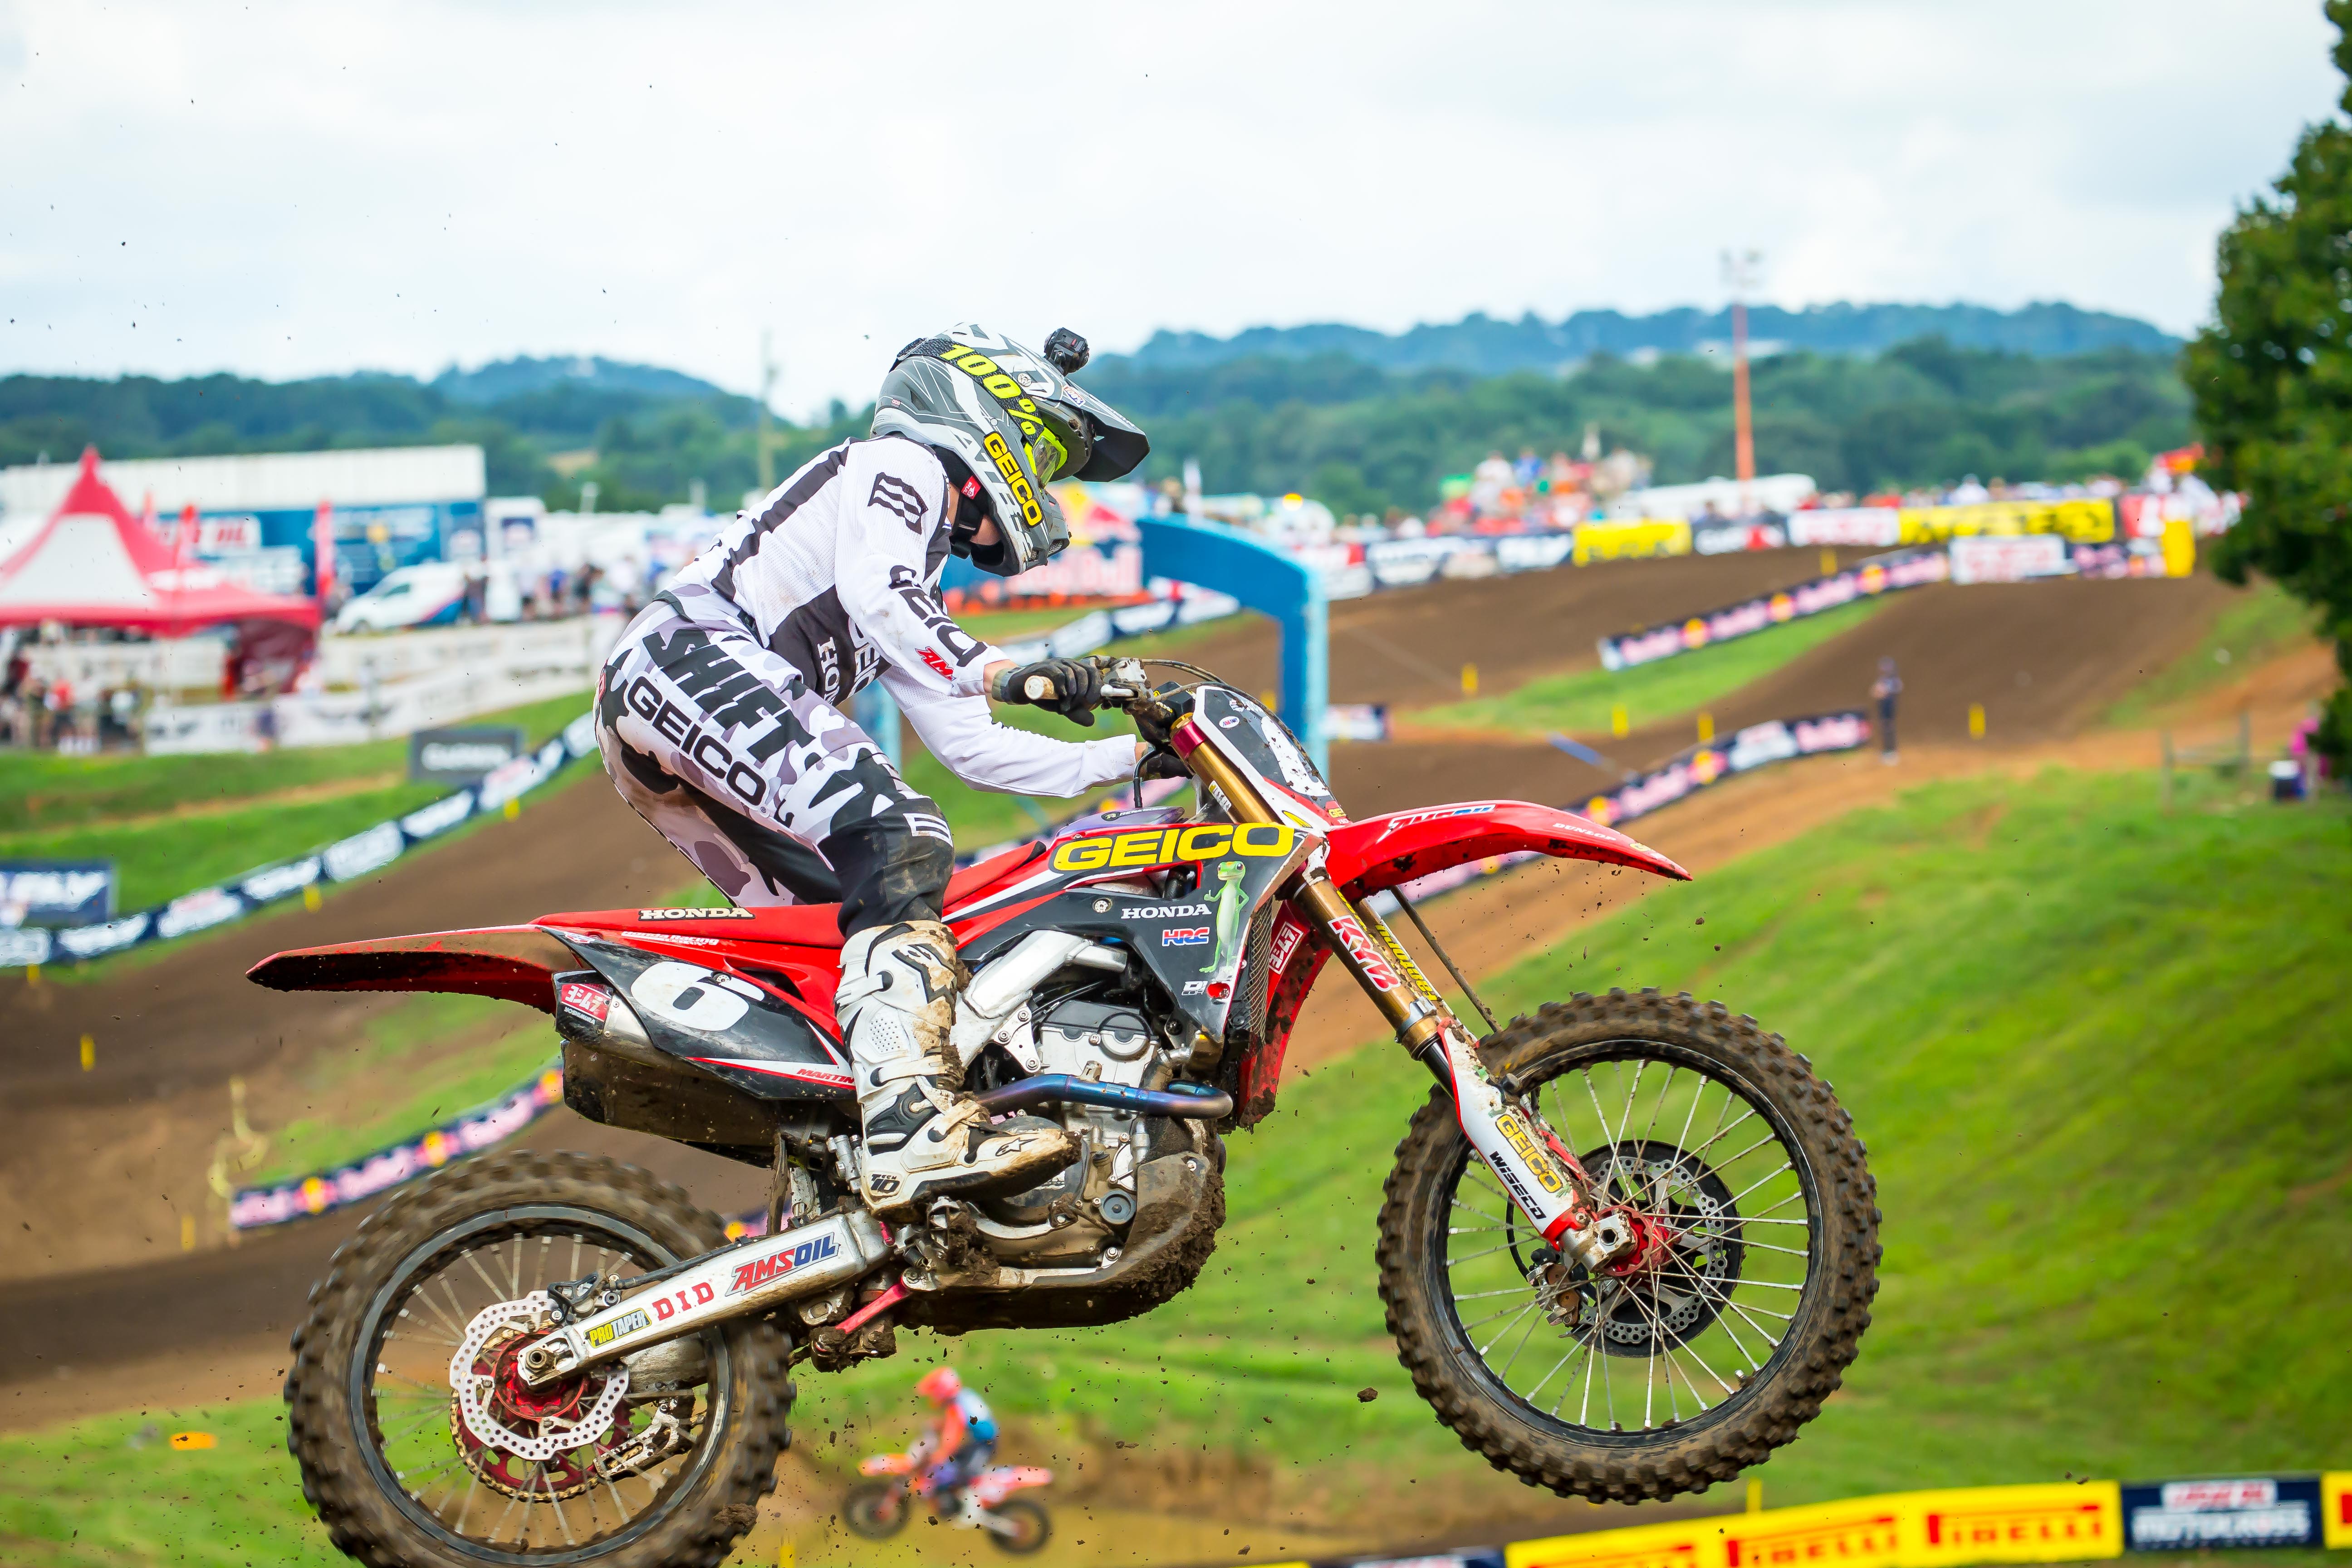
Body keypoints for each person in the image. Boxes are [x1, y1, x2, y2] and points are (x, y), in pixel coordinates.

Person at [593, 323, 1172, 1218]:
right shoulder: (900, 467)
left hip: (667, 699)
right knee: (901, 836)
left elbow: (971, 744)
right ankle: (911, 1124)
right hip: (688, 655)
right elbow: (879, 596)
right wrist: (1004, 669)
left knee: (837, 943)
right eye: (1043, 456)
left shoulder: (911, 572)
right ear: (989, 415)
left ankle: (826, 1200)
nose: (1043, 483)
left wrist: (1128, 760)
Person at [914, 1366, 997, 1516]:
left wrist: (940, 1455)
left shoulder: (957, 1405)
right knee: (953, 1466)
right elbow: (956, 1423)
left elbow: (952, 1435)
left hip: (985, 1445)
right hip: (979, 1442)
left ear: (942, 1391)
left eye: (934, 1392)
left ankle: (968, 1509)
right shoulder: (963, 1397)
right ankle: (956, 1504)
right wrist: (938, 1426)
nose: (932, 1397)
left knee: (964, 1475)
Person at [1872, 656, 1902, 763]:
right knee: (1885, 729)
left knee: (1889, 729)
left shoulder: (1893, 681)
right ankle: (1888, 751)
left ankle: (1892, 751)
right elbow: (1875, 693)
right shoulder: (1882, 681)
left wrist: (1882, 693)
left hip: (1889, 709)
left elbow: (1892, 692)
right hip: (1883, 708)